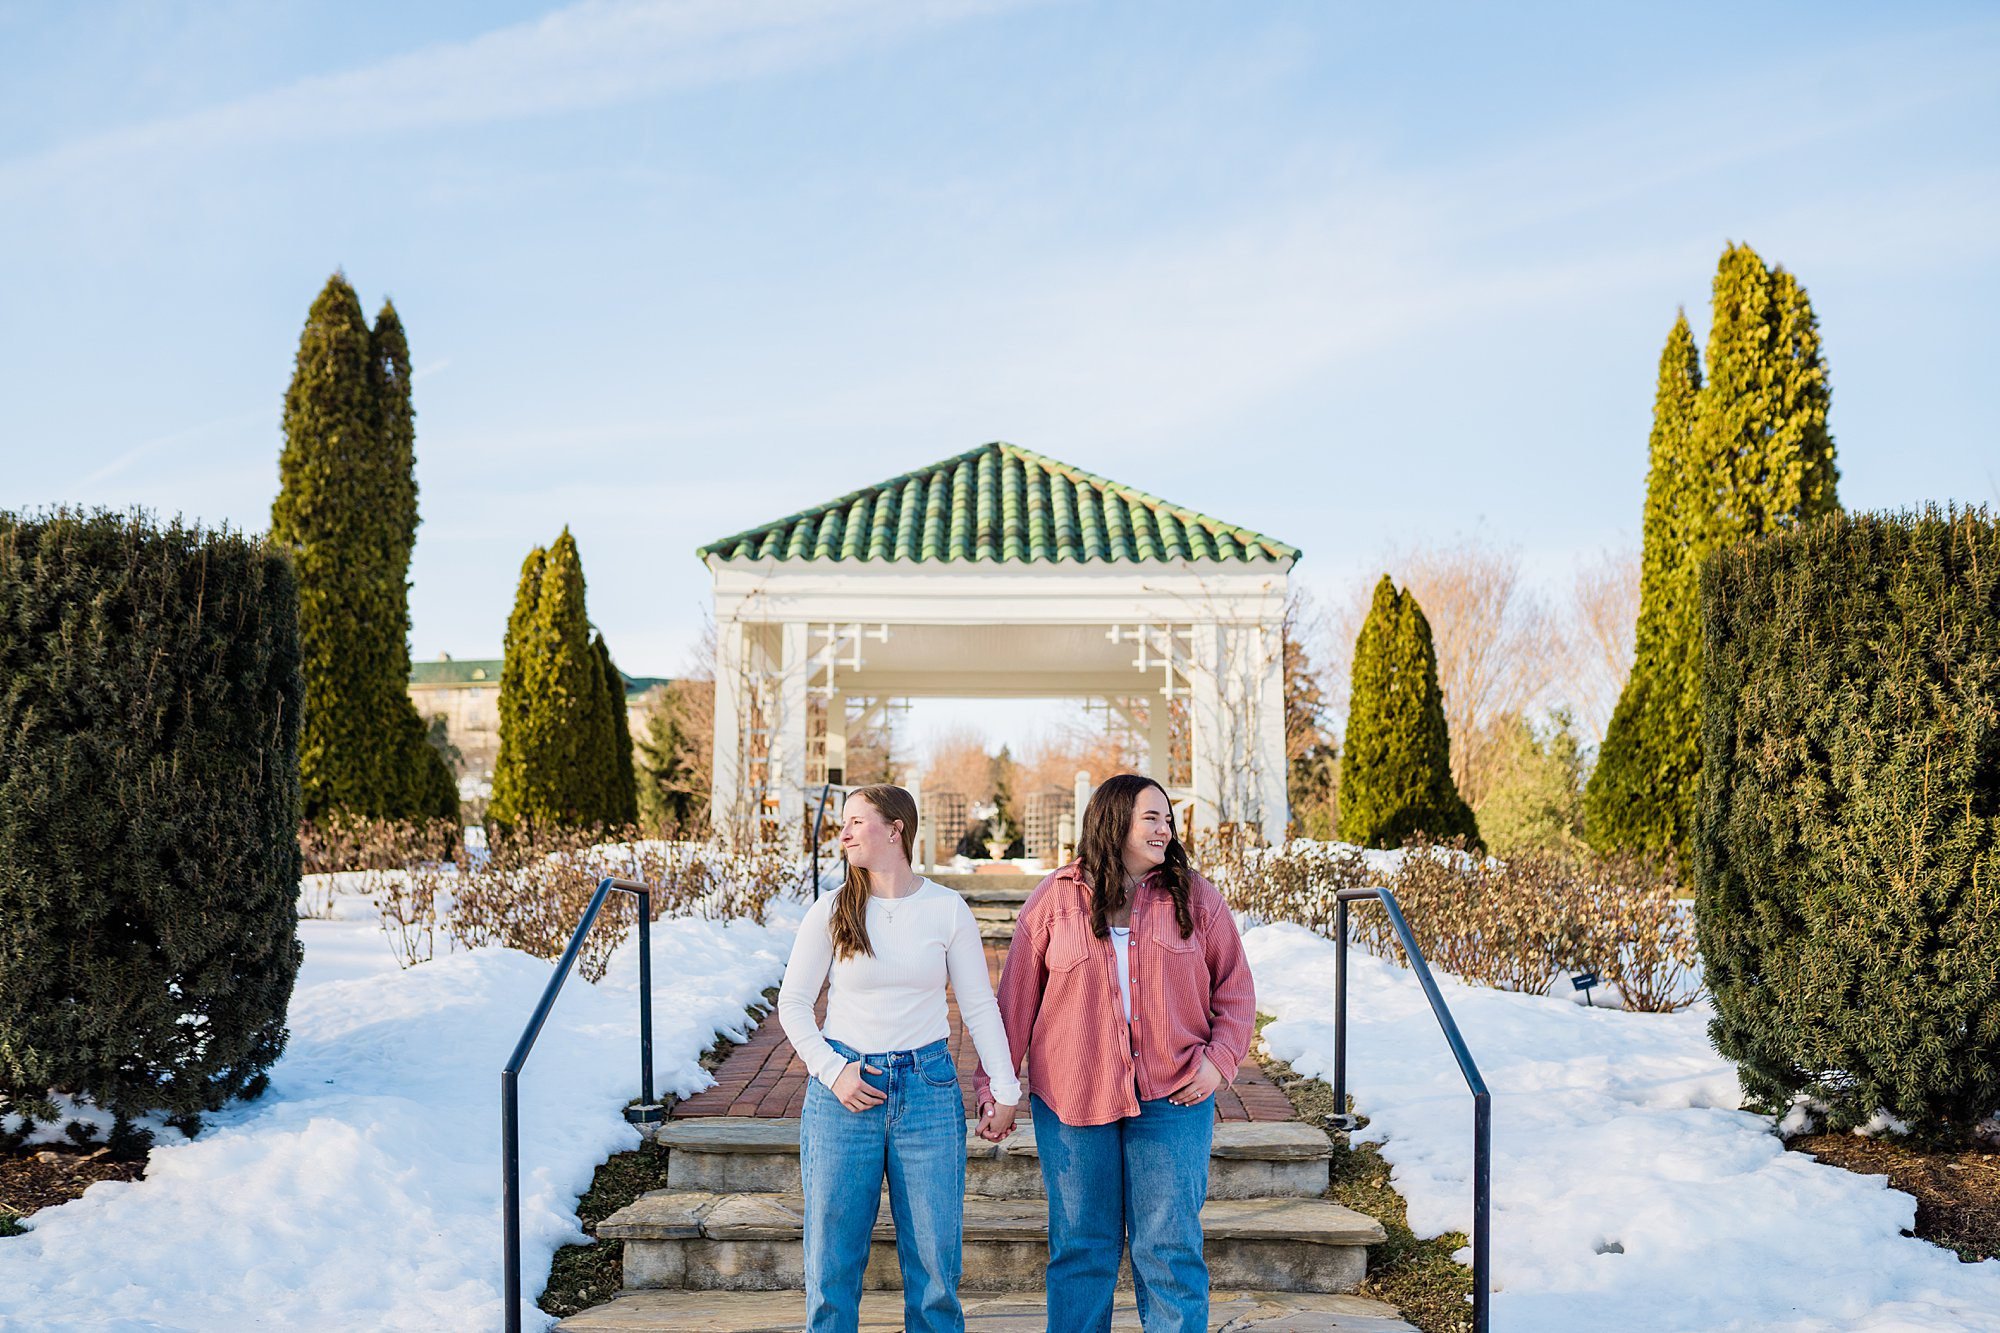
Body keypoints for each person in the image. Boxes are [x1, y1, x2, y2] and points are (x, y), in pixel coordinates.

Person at [973, 774, 1255, 1333]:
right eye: (1151, 817)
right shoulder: (1057, 898)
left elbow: (1236, 989)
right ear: (1113, 819)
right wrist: (995, 1089)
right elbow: (1013, 1006)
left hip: (1173, 1094)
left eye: (1168, 819)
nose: (1165, 828)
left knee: (1169, 1247)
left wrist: (1219, 1060)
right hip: (1074, 1098)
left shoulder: (1195, 896)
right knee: (1081, 1247)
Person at [776, 783, 1021, 1333]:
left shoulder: (944, 908)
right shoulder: (833, 910)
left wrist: (1006, 1089)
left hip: (928, 1090)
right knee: (831, 1265)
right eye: (843, 822)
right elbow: (792, 1003)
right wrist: (833, 1071)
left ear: (895, 829)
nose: (843, 832)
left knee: (935, 1269)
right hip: (845, 1091)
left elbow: (979, 1004)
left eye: (857, 822)